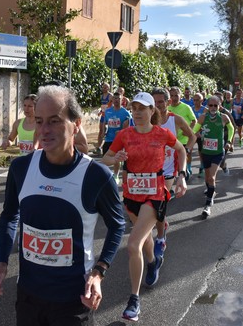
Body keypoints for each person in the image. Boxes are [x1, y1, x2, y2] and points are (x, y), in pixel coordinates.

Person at [0, 85, 125, 326]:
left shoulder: (96, 176)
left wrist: (99, 271)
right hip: (28, 295)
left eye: (54, 121)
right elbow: (9, 215)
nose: (44, 130)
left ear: (76, 124)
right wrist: (1, 261)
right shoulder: (20, 168)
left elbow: (118, 225)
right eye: (39, 121)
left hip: (73, 300)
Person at [102, 92, 187, 321]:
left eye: (143, 108)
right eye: (135, 108)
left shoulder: (162, 133)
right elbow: (106, 158)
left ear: (152, 111)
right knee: (145, 237)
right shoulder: (125, 134)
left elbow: (181, 150)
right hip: (132, 195)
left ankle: (134, 300)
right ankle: (153, 261)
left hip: (155, 193)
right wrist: (116, 157)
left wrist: (181, 175)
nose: (138, 112)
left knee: (132, 244)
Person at [151, 88, 195, 262]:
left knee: (158, 204)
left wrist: (186, 150)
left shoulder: (175, 119)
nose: (157, 105)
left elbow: (192, 137)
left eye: (160, 101)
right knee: (151, 209)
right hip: (148, 172)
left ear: (168, 103)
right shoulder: (147, 119)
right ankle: (162, 222)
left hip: (168, 171)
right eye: (154, 101)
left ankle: (160, 239)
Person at [192, 95, 234, 219]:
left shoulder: (224, 117)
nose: (213, 108)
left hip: (218, 152)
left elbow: (231, 129)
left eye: (216, 105)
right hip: (205, 151)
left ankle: (208, 204)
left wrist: (229, 141)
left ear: (220, 106)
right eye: (211, 105)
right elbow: (195, 130)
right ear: (207, 106)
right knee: (207, 177)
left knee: (211, 176)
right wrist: (197, 133)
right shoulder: (203, 117)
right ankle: (210, 190)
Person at [102, 91, 132, 182]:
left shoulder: (125, 113)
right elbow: (105, 122)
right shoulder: (108, 111)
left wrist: (122, 131)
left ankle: (116, 175)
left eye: (118, 99)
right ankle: (106, 174)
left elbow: (130, 125)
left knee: (117, 157)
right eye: (114, 98)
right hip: (108, 138)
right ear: (112, 99)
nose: (116, 100)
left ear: (122, 99)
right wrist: (103, 131)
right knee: (105, 158)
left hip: (119, 139)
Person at [167, 87, 197, 178]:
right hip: (171, 139)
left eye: (176, 95)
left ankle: (185, 169)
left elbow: (194, 120)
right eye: (172, 96)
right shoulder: (167, 107)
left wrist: (189, 131)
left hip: (184, 139)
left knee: (183, 157)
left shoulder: (186, 107)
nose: (174, 98)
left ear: (180, 96)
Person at [95, 82, 112, 155]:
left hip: (109, 115)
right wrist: (101, 111)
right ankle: (99, 147)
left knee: (109, 130)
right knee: (101, 130)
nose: (104, 89)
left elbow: (112, 105)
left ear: (108, 88)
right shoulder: (102, 96)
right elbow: (103, 105)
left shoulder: (110, 96)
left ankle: (108, 146)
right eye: (103, 87)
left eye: (105, 87)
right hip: (103, 115)